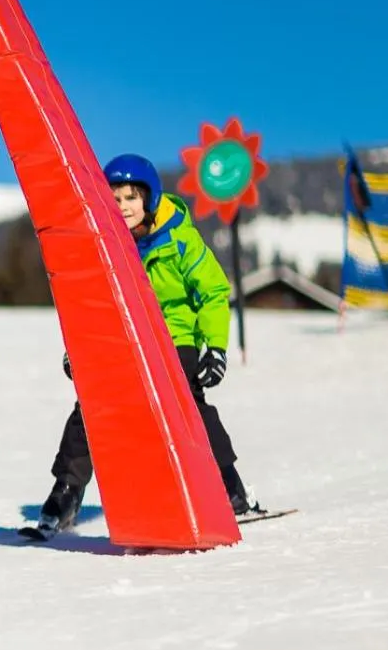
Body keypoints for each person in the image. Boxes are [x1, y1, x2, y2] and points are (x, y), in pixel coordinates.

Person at [32, 153, 260, 538]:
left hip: (176, 337)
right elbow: (89, 304)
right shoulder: (102, 244)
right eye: (115, 198)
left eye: (132, 198)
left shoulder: (179, 238)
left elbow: (214, 291)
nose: (123, 207)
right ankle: (66, 495)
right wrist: (80, 349)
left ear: (149, 199)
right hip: (122, 338)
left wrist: (216, 349)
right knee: (90, 405)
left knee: (188, 402)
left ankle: (229, 487)